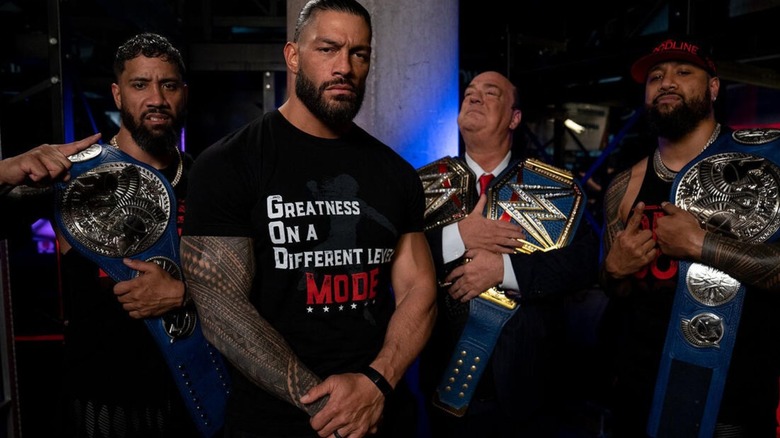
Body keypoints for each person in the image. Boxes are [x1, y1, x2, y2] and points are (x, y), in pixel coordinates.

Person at [179, 1, 437, 437]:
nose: (345, 67)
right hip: (276, 421)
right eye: (328, 49)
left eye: (359, 53)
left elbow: (418, 287)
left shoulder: (395, 173)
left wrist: (376, 382)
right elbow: (223, 310)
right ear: (293, 56)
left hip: (380, 413)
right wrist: (332, 408)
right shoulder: (229, 164)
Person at [0, 32, 200, 437]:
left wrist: (185, 293)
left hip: (193, 396)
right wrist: (5, 170)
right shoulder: (72, 175)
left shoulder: (208, 179)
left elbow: (248, 281)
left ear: (184, 93)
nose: (156, 98)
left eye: (169, 85)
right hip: (98, 406)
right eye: (140, 84)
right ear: (117, 93)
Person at [599, 35, 780, 437]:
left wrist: (701, 245)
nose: (666, 82)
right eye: (655, 77)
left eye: (684, 72)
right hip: (637, 398)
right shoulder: (624, 184)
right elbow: (613, 287)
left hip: (731, 406)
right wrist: (615, 270)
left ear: (713, 88)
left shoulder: (763, 164)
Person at [416, 70, 601, 437]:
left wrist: (504, 269)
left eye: (491, 93)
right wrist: (460, 235)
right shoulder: (421, 185)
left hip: (531, 391)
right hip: (441, 386)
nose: (475, 97)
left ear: (515, 117)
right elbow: (397, 262)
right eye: (469, 93)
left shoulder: (556, 188)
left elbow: (584, 265)